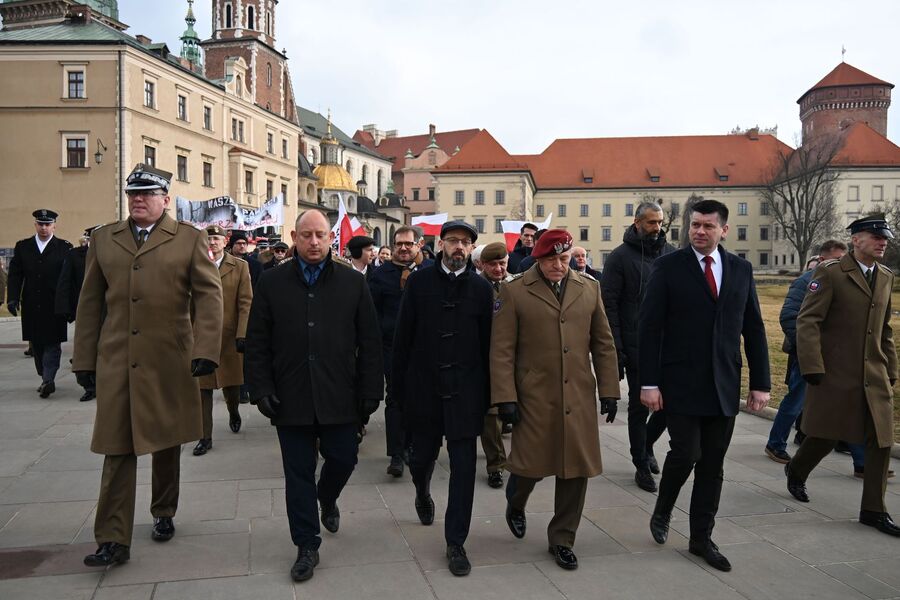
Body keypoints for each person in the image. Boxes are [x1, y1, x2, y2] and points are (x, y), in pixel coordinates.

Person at [75, 163, 223, 568]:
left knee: (166, 442)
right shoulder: (105, 240)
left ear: (165, 199)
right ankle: (112, 539)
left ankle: (163, 510)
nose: (138, 199)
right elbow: (89, 304)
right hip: (118, 361)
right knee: (116, 448)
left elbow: (209, 296)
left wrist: (205, 349)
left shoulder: (189, 240)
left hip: (168, 359)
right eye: (132, 193)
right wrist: (84, 360)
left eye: (146, 193)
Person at [243, 209, 383, 582]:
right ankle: (307, 545)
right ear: (294, 236)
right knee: (297, 473)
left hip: (340, 393)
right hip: (290, 396)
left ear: (330, 237)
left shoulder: (352, 283)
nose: (314, 242)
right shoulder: (272, 282)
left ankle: (328, 495)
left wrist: (371, 390)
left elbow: (370, 341)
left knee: (344, 457)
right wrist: (260, 389)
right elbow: (257, 341)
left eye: (320, 235)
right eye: (306, 235)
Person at [639, 199, 770, 572]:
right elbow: (648, 328)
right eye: (695, 225)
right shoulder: (668, 267)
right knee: (686, 453)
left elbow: (754, 328)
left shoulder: (741, 270)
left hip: (723, 384)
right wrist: (648, 383)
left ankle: (701, 538)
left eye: (708, 226)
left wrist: (761, 382)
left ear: (723, 230)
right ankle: (663, 509)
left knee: (712, 464)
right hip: (679, 383)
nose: (700, 231)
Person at [491, 229, 619, 571]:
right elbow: (502, 350)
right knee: (530, 465)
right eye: (552, 260)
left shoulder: (589, 287)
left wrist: (609, 389)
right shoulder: (514, 290)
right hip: (533, 395)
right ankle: (516, 501)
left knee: (576, 469)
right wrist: (505, 397)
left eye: (564, 259)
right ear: (539, 258)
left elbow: (603, 343)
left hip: (577, 393)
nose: (560, 266)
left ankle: (562, 538)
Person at [785, 215, 900, 537]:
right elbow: (808, 321)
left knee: (881, 440)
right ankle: (797, 469)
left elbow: (885, 330)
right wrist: (812, 366)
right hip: (835, 372)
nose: (882, 242)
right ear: (856, 240)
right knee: (825, 434)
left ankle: (873, 510)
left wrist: (890, 367)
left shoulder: (886, 277)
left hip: (873, 372)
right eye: (875, 237)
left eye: (885, 238)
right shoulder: (831, 273)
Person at [392, 220, 493, 577]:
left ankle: (456, 542)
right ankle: (421, 490)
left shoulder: (481, 289)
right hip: (425, 388)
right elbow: (403, 335)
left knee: (464, 469)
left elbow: (488, 347)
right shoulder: (419, 282)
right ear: (440, 245)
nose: (459, 247)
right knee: (421, 459)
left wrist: (489, 396)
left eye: (466, 242)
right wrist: (398, 388)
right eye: (453, 241)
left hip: (465, 392)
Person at [600, 201, 672, 493]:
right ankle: (640, 463)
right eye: (651, 223)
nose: (657, 228)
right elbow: (609, 307)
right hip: (636, 345)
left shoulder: (671, 254)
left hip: (668, 346)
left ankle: (647, 444)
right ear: (637, 222)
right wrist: (617, 349)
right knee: (640, 408)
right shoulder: (619, 258)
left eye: (660, 223)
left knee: (670, 405)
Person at [764, 240, 847, 464]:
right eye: (837, 260)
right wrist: (807, 348)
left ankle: (860, 458)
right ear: (822, 260)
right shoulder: (806, 282)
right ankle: (776, 444)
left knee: (846, 401)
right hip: (808, 353)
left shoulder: (843, 282)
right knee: (796, 400)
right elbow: (790, 316)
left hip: (836, 354)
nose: (843, 264)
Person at [369, 226, 433, 477]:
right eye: (399, 244)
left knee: (419, 397)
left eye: (409, 243)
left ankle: (413, 446)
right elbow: (372, 312)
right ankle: (396, 454)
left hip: (423, 346)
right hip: (391, 347)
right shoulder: (380, 275)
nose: (404, 248)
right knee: (395, 398)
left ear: (419, 244)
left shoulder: (430, 271)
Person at [194, 225, 253, 456]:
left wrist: (242, 333)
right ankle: (204, 436)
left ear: (225, 241)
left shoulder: (239, 266)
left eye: (216, 238)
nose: (212, 242)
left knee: (230, 384)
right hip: (201, 337)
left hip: (229, 335)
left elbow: (245, 302)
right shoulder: (196, 265)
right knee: (203, 388)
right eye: (208, 238)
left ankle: (233, 410)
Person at [7, 209, 73, 398]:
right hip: (31, 303)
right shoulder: (23, 247)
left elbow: (69, 278)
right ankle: (44, 375)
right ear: (35, 225)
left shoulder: (64, 247)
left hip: (55, 305)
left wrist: (69, 303)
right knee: (36, 343)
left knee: (53, 342)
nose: (44, 228)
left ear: (54, 226)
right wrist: (12, 298)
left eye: (48, 224)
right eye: (41, 224)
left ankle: (49, 378)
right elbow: (15, 275)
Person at [477, 242, 511, 488]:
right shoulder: (474, 287)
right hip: (485, 360)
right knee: (491, 420)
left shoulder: (516, 286)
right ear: (482, 265)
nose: (499, 269)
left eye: (502, 263)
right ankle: (496, 466)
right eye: (493, 264)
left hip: (512, 360)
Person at [55, 226, 98, 401]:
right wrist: (63, 308)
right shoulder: (75, 255)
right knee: (84, 346)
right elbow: (65, 281)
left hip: (110, 309)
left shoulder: (114, 255)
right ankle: (88, 384)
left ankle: (99, 381)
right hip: (84, 308)